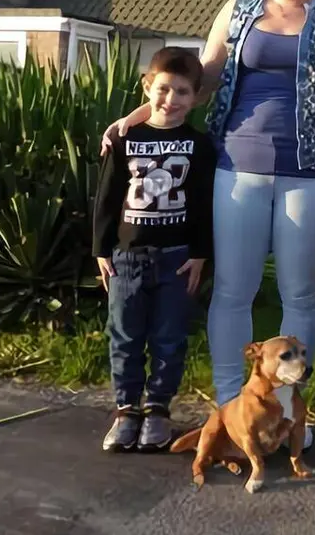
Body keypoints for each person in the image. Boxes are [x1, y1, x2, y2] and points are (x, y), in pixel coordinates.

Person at [101, 0, 315, 449]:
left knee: (301, 294)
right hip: (237, 168)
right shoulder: (239, 9)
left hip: (311, 171)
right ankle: (230, 410)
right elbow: (197, 80)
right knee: (232, 290)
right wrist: (138, 115)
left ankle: (290, 411)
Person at [93, 48, 215, 452]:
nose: (170, 99)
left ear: (195, 98)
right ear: (147, 87)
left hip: (177, 260)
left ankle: (158, 409)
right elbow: (107, 198)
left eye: (182, 92)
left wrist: (200, 253)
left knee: (168, 338)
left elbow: (203, 204)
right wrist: (101, 249)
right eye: (163, 88)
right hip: (126, 259)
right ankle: (127, 410)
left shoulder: (199, 146)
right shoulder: (125, 139)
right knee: (124, 337)